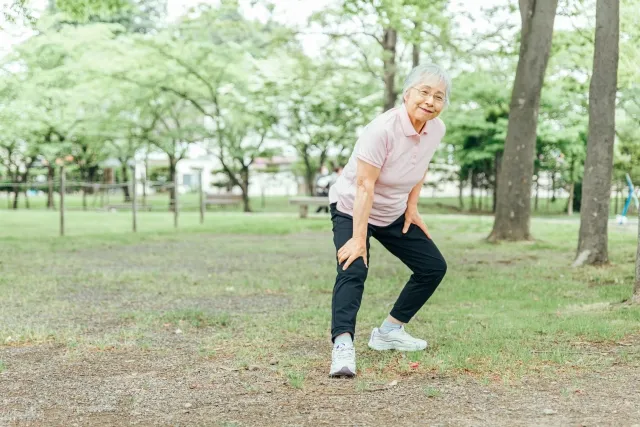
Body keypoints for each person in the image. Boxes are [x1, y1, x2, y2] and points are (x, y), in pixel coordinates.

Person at [327, 63, 451, 377]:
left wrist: (412, 207)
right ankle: (343, 345)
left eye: (438, 96)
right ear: (407, 93)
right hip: (352, 206)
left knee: (433, 267)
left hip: (393, 211)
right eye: (424, 92)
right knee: (353, 266)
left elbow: (419, 168)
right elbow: (364, 185)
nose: (430, 101)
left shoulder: (436, 129)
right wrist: (358, 238)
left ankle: (388, 331)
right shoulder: (382, 129)